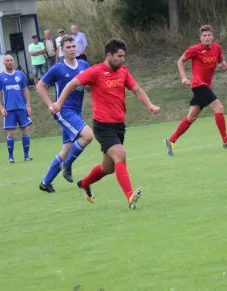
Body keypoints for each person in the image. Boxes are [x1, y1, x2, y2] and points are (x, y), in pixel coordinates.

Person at [51, 39, 160, 209]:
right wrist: (59, 103)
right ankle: (130, 197)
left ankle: (85, 183)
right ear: (109, 55)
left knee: (108, 168)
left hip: (119, 126)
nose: (123, 59)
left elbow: (137, 90)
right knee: (120, 155)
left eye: (124, 56)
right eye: (119, 56)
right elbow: (72, 84)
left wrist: (150, 105)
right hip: (103, 126)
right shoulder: (95, 72)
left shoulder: (123, 71)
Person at [164, 25, 227, 157]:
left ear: (212, 37)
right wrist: (184, 78)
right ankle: (226, 140)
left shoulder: (217, 48)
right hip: (198, 84)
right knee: (219, 107)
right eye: (204, 36)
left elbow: (220, 60)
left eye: (209, 35)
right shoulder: (195, 49)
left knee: (192, 117)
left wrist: (223, 64)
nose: (207, 37)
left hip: (206, 86)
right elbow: (180, 61)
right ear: (200, 38)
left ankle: (171, 141)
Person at [36, 36, 92, 193]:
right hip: (63, 111)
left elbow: (88, 86)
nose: (72, 49)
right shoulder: (58, 68)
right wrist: (50, 104)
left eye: (74, 46)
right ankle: (67, 165)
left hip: (76, 111)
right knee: (88, 135)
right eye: (68, 47)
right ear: (62, 50)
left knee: (66, 149)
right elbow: (40, 86)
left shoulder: (83, 65)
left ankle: (45, 182)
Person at [0, 55, 32, 163]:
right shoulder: (0, 77)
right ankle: (11, 157)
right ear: (4, 63)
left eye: (11, 60)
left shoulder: (20, 75)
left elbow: (25, 91)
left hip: (21, 108)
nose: (10, 62)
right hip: (9, 109)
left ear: (13, 62)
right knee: (10, 132)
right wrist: (1, 107)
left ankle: (26, 155)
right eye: (7, 61)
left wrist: (28, 106)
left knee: (25, 130)